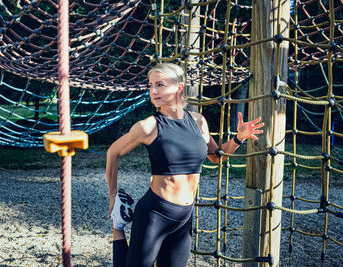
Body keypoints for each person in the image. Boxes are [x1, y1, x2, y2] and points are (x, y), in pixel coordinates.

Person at [106, 63, 264, 267]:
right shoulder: (148, 126)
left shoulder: (198, 121)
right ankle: (117, 226)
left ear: (179, 87)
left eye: (160, 84)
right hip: (154, 213)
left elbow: (217, 157)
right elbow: (113, 152)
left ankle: (118, 225)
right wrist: (112, 196)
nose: (153, 91)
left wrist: (239, 138)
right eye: (151, 85)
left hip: (183, 218)